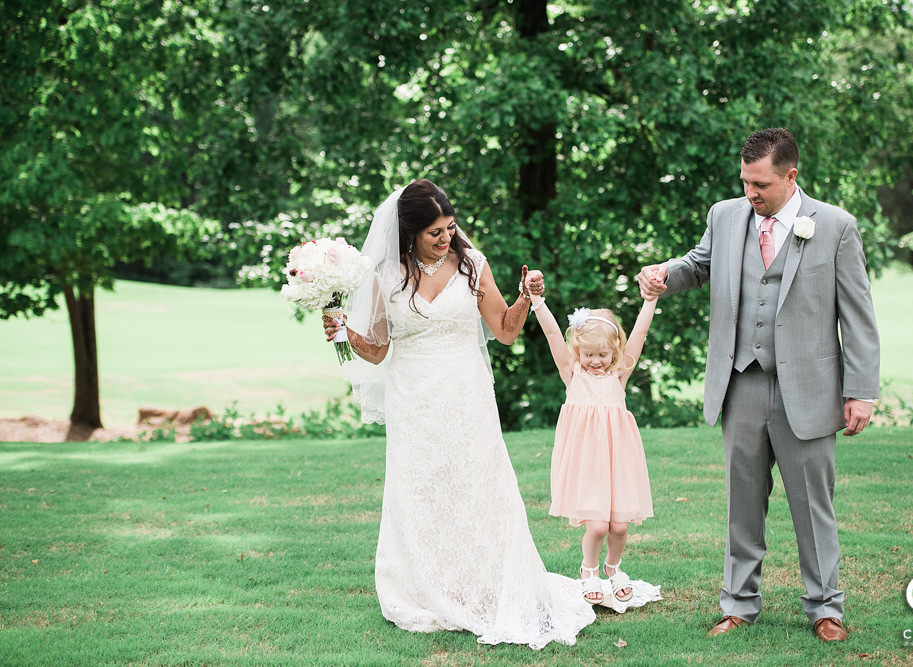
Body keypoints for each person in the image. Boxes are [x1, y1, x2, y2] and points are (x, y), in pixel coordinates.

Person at [322, 179, 595, 649]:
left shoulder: (472, 265)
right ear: (409, 233)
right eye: (434, 232)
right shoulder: (385, 274)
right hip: (412, 398)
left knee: (477, 484)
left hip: (467, 394)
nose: (446, 237)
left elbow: (506, 331)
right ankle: (429, 586)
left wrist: (527, 296)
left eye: (449, 227)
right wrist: (344, 332)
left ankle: (485, 583)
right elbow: (379, 348)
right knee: (422, 487)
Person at [637, 128, 880, 642]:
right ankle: (739, 604)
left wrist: (861, 389)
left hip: (810, 388)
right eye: (746, 181)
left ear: (792, 176)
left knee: (813, 505)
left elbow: (858, 315)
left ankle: (825, 608)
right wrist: (664, 274)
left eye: (762, 184)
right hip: (740, 382)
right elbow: (698, 265)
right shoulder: (724, 216)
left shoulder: (835, 226)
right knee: (741, 501)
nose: (751, 193)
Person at [528, 291, 662, 612]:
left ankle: (613, 568)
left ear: (614, 351)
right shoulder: (572, 374)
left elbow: (640, 334)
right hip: (587, 461)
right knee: (598, 525)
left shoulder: (619, 374)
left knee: (620, 526)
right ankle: (589, 569)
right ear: (578, 350)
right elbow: (549, 333)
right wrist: (537, 301)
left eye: (603, 354)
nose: (596, 360)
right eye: (588, 353)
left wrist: (650, 300)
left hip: (618, 458)